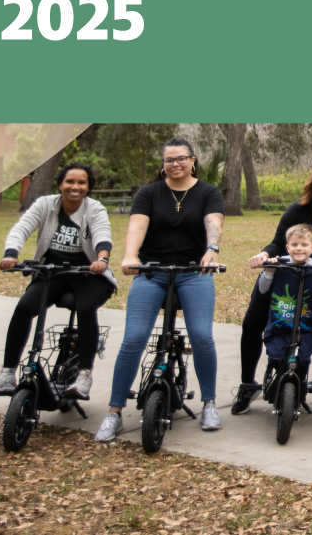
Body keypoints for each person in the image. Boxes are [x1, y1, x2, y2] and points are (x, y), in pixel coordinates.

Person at [95, 138, 224, 442]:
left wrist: (212, 250)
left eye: (181, 159)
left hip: (194, 271)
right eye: (169, 160)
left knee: (202, 336)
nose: (175, 164)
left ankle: (209, 403)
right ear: (163, 163)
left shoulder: (208, 192)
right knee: (134, 338)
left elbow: (213, 223)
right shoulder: (149, 192)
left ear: (194, 160)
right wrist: (130, 256)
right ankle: (114, 413)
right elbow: (137, 227)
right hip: (151, 271)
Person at [233, 161, 312, 415]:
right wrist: (263, 255)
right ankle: (248, 384)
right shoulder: (298, 210)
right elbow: (277, 244)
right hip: (287, 277)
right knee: (252, 323)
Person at [0, 163, 114, 400]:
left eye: (82, 183)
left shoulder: (95, 209)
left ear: (88, 188)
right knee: (24, 307)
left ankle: (84, 375)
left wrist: (102, 259)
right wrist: (11, 253)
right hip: (53, 272)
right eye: (70, 182)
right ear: (60, 184)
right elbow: (22, 228)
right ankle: (7, 373)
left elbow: (102, 234)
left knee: (85, 308)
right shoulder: (45, 204)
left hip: (88, 274)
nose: (75, 187)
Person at [257, 224, 312, 393]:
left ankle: (298, 391)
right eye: (295, 245)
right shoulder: (280, 269)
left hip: (307, 329)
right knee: (276, 356)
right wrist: (268, 271)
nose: (299, 249)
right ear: (287, 247)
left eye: (304, 245)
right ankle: (273, 377)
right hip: (279, 326)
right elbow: (262, 290)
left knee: (302, 360)